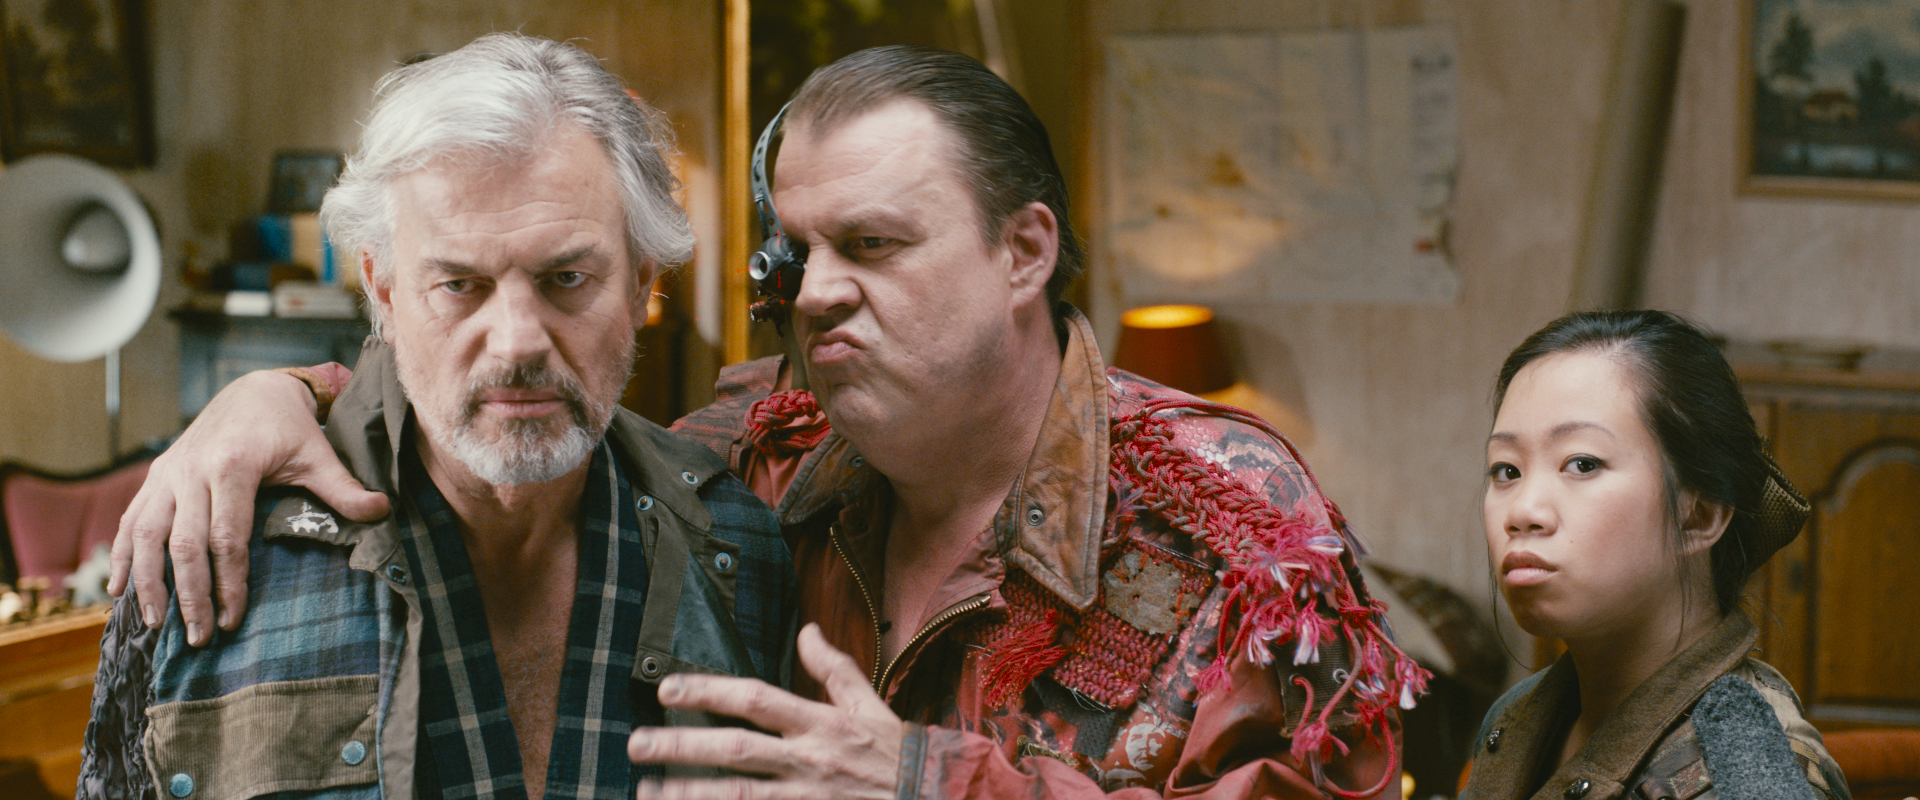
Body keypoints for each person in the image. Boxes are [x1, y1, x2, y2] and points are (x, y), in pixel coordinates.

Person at [110, 46, 1425, 799]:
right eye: (797, 251)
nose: (819, 291)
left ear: (1025, 250)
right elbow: (518, 408)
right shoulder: (758, 454)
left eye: (875, 243)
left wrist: (928, 784)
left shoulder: (1233, 519)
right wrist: (273, 400)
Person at [79, 33, 798, 800]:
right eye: (460, 284)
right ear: (383, 291)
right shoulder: (208, 539)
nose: (517, 341)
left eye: (566, 277)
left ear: (640, 284)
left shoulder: (739, 548)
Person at [1462, 311, 1849, 800]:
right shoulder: (1516, 716)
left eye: (1582, 463)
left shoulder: (1746, 775)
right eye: (1506, 470)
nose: (1522, 511)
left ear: (1699, 516)